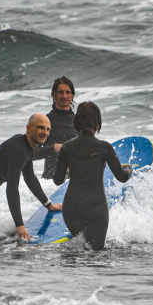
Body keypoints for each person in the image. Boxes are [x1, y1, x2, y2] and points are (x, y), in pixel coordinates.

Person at [0, 114, 63, 245]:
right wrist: (19, 225)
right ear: (29, 128)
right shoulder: (19, 149)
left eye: (48, 129)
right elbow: (12, 189)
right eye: (41, 128)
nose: (45, 132)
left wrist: (49, 205)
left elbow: (30, 179)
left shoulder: (26, 148)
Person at [53, 102, 133, 250]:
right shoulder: (104, 147)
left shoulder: (66, 147)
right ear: (97, 123)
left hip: (71, 207)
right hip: (96, 207)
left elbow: (58, 180)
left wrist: (72, 165)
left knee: (78, 251)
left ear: (77, 121)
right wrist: (129, 168)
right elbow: (122, 177)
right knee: (95, 255)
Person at [33, 76, 77, 179]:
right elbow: (31, 154)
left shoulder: (79, 121)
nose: (64, 96)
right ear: (53, 95)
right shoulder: (45, 121)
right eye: (60, 92)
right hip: (51, 182)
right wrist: (53, 148)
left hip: (75, 181)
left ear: (73, 96)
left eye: (68, 92)